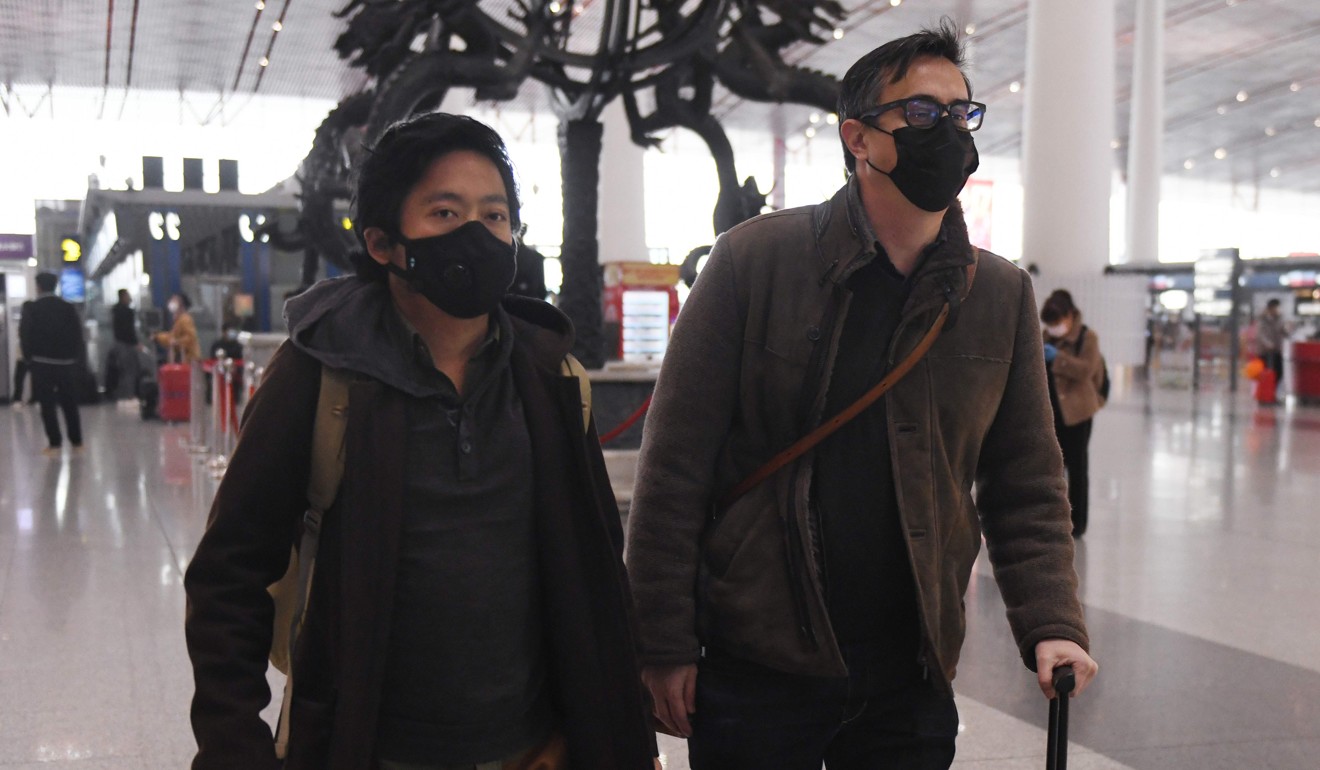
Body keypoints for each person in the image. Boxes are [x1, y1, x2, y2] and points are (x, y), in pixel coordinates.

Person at [625, 21, 1097, 770]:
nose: (946, 130)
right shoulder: (755, 262)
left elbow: (1026, 485)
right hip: (758, 661)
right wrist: (661, 641)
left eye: (960, 113)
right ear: (858, 139)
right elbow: (675, 470)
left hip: (909, 669)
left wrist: (1052, 623)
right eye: (919, 113)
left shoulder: (998, 294)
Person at [184, 113, 658, 770]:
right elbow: (228, 576)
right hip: (368, 748)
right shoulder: (321, 372)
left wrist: (621, 726)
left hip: (532, 750)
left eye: (495, 216)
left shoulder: (548, 375)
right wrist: (235, 743)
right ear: (382, 243)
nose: (478, 234)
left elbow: (596, 566)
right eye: (444, 212)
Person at [1041, 290, 1105, 538]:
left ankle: (1078, 523)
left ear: (1069, 315)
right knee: (1052, 468)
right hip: (1052, 411)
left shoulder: (1087, 338)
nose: (1055, 328)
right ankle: (1054, 518)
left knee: (1077, 469)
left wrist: (1059, 359)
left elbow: (1087, 370)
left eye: (1058, 322)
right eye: (1051, 324)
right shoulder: (1047, 336)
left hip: (1078, 413)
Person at [18, 272, 85, 455]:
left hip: (41, 363)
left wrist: (28, 358)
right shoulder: (68, 307)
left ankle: (54, 444)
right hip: (66, 363)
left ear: (38, 286)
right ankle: (77, 442)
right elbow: (78, 334)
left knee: (47, 405)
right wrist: (75, 358)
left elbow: (25, 334)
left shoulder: (32, 308)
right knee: (69, 403)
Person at [107, 288, 142, 400]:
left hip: (118, 344)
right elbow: (129, 330)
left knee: (123, 371)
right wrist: (136, 343)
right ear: (123, 297)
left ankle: (123, 395)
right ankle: (130, 396)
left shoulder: (115, 310)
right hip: (127, 345)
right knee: (130, 371)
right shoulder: (127, 311)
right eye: (128, 295)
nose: (130, 298)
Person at [155, 291, 201, 362]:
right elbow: (172, 337)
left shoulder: (185, 319)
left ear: (181, 304)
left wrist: (177, 342)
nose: (171, 302)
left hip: (189, 360)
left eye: (174, 300)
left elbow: (190, 338)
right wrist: (158, 337)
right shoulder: (179, 320)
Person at [1256, 298, 1287, 390]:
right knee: (1265, 373)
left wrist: (1288, 329)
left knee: (1279, 372)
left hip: (1277, 350)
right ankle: (1266, 393)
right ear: (1270, 308)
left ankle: (1273, 392)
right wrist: (1268, 344)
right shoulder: (1263, 319)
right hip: (1265, 352)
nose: (1277, 310)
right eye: (1275, 308)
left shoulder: (1280, 318)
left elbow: (1284, 332)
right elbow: (1260, 335)